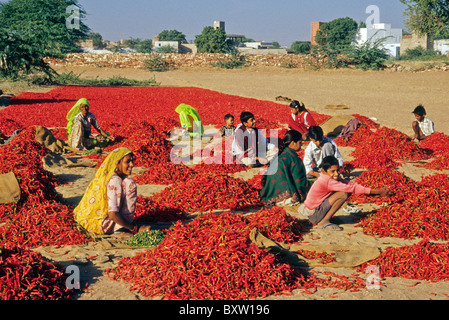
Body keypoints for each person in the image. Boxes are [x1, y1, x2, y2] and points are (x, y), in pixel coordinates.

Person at [298, 156, 390, 231]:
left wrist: (372, 192)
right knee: (343, 194)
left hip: (316, 210)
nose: (336, 173)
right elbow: (351, 188)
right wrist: (378, 191)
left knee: (346, 191)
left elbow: (349, 184)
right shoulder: (327, 181)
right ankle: (324, 221)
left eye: (337, 170)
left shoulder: (328, 177)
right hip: (314, 215)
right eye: (332, 171)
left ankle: (326, 218)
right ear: (324, 171)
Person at [73, 147, 149, 236]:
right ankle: (120, 228)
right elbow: (113, 215)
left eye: (132, 161)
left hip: (89, 221)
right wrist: (134, 229)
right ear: (117, 163)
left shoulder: (107, 177)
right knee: (129, 183)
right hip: (100, 226)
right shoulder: (115, 180)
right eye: (127, 161)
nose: (132, 165)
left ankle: (121, 225)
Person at [260, 130, 309, 206]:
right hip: (287, 198)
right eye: (300, 142)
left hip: (269, 195)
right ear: (293, 143)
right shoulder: (295, 159)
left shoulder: (280, 156)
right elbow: (299, 181)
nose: (301, 144)